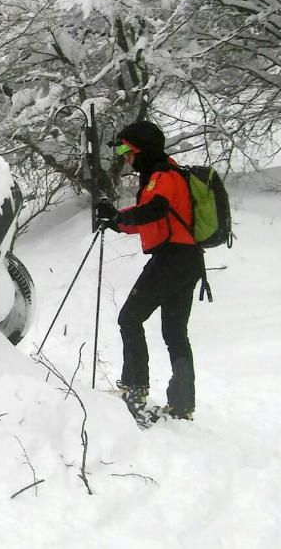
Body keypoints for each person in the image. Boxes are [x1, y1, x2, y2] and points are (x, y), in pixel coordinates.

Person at [95, 120, 203, 421]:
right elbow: (154, 219)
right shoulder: (165, 173)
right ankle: (182, 404)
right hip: (186, 260)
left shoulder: (162, 176)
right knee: (175, 332)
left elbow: (154, 210)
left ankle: (135, 390)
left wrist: (118, 216)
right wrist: (116, 221)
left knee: (129, 318)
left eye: (127, 150)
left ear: (142, 150)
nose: (125, 157)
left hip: (172, 260)